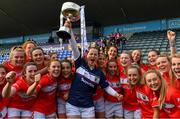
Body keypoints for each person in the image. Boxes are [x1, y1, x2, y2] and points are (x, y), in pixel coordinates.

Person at [65, 20, 122, 118]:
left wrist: (116, 94)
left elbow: (106, 87)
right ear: (87, 55)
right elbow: (74, 47)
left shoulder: (99, 73)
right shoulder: (80, 63)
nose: (93, 56)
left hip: (88, 106)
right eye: (91, 54)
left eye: (95, 54)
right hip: (73, 104)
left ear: (97, 57)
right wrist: (70, 31)